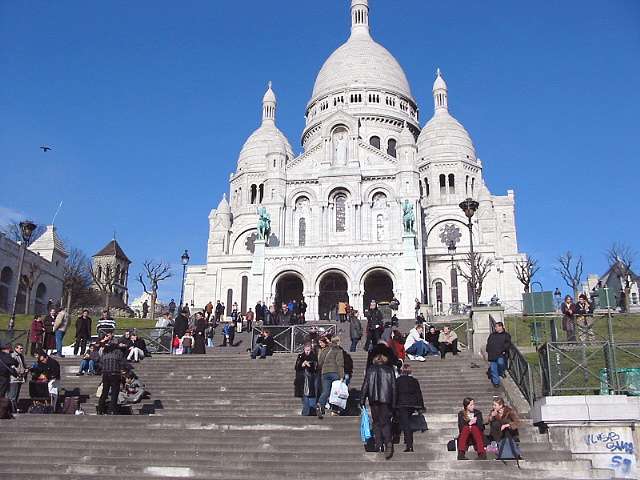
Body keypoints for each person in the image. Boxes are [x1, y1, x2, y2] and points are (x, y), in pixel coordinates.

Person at [360, 350, 397, 459]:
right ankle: (388, 442)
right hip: (386, 400)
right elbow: (394, 387)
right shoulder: (390, 370)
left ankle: (379, 443)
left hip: (374, 400)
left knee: (376, 422)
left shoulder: (370, 370)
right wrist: (394, 402)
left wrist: (362, 400)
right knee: (385, 422)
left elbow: (365, 385)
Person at [395, 363, 425, 452]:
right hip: (412, 405)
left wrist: (393, 405)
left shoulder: (398, 381)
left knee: (406, 424)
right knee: (406, 422)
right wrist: (421, 407)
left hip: (402, 404)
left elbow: (395, 393)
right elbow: (419, 394)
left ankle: (409, 445)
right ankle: (407, 442)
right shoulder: (414, 380)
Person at [316, 336, 344, 419]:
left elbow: (320, 362)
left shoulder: (325, 350)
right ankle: (334, 411)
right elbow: (340, 363)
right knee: (335, 392)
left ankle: (320, 405)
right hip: (335, 372)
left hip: (324, 373)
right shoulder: (338, 350)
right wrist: (341, 376)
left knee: (325, 391)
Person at [97, 342, 125, 415]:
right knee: (114, 393)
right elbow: (123, 365)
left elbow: (99, 365)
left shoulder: (104, 356)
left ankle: (100, 409)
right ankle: (112, 410)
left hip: (106, 375)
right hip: (115, 375)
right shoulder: (117, 356)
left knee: (104, 392)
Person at [294, 343, 318, 416]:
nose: (307, 351)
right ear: (304, 350)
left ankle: (310, 411)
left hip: (311, 378)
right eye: (306, 350)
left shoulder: (313, 356)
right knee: (304, 395)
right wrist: (302, 364)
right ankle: (306, 411)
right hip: (302, 379)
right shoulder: (300, 356)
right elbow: (296, 367)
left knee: (310, 395)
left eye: (308, 350)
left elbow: (315, 367)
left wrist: (309, 365)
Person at [486, 322, 511, 387]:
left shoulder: (506, 335)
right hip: (492, 354)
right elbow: (488, 343)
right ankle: (496, 382)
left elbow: (507, 344)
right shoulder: (492, 335)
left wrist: (503, 350)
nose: (495, 328)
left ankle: (501, 372)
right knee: (493, 368)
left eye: (496, 327)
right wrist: (488, 350)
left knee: (500, 363)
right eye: (495, 327)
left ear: (501, 327)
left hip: (500, 353)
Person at [7, 343, 27, 413]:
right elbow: (13, 367)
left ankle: (14, 409)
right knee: (12, 396)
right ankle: (11, 410)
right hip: (14, 379)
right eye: (20, 348)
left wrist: (25, 370)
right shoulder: (13, 355)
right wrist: (19, 371)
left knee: (16, 395)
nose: (22, 350)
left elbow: (22, 365)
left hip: (20, 379)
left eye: (22, 348)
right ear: (16, 348)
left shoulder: (21, 356)